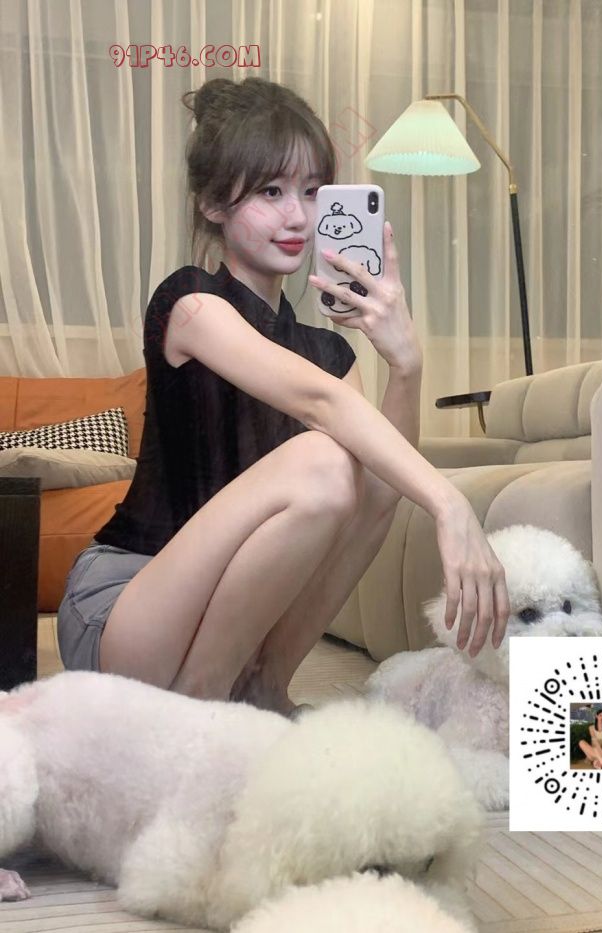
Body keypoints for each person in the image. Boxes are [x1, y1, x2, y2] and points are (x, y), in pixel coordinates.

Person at [56, 76, 510, 717]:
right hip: (128, 608)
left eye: (312, 191)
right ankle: (202, 705)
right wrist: (450, 504)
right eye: (271, 191)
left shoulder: (327, 352)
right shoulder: (191, 303)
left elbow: (380, 494)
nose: (298, 216)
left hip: (236, 627)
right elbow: (322, 406)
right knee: (327, 459)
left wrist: (405, 365)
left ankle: (265, 687)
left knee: (360, 477)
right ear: (213, 203)